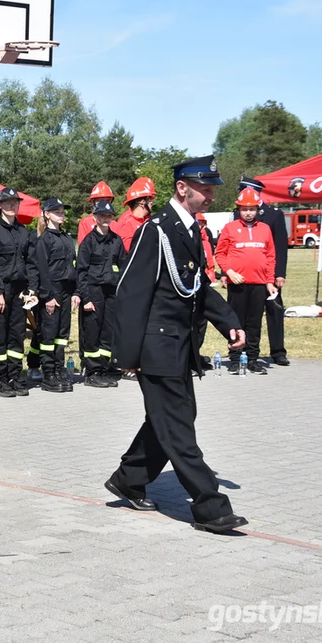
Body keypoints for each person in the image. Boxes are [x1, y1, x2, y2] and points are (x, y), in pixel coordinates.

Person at [106, 155, 248, 534]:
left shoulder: (188, 230)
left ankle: (129, 478)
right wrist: (129, 355)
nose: (211, 194)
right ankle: (210, 506)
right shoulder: (156, 230)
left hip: (179, 348)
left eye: (213, 187)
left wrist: (228, 321)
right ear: (182, 188)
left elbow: (196, 288)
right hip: (157, 348)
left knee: (170, 421)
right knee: (180, 428)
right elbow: (131, 293)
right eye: (205, 187)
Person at [215, 187, 276, 375]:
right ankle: (234, 358)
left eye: (251, 209)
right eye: (244, 209)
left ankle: (252, 358)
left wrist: (269, 281)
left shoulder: (265, 229)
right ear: (238, 210)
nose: (248, 212)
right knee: (236, 321)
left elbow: (270, 256)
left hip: (258, 284)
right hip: (238, 285)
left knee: (254, 323)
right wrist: (229, 272)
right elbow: (220, 253)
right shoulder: (229, 228)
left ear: (258, 210)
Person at [0, 188, 33, 398]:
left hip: (19, 291)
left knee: (17, 336)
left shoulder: (24, 232)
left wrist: (31, 290)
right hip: (1, 292)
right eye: (7, 203)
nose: (12, 206)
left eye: (15, 203)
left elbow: (31, 263)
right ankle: (0, 380)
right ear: (0, 205)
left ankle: (14, 376)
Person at [235, 177, 290, 366]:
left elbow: (281, 247)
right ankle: (244, 351)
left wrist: (279, 274)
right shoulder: (239, 214)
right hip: (248, 275)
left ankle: (278, 351)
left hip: (269, 274)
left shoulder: (274, 215)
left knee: (274, 312)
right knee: (248, 316)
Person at [29, 198, 79, 393]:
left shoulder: (66, 238)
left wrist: (75, 291)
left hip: (66, 289)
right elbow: (41, 270)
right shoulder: (44, 240)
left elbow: (72, 267)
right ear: (47, 214)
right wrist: (48, 296)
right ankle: (48, 373)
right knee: (49, 335)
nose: (61, 214)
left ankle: (58, 369)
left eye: (62, 211)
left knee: (62, 335)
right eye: (56, 211)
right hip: (52, 291)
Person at [76, 199, 125, 388]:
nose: (106, 218)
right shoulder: (88, 242)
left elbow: (124, 265)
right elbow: (81, 271)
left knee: (108, 332)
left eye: (109, 215)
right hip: (93, 292)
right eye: (102, 215)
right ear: (95, 218)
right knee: (92, 333)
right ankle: (92, 372)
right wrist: (85, 298)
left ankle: (104, 369)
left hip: (111, 292)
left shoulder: (116, 240)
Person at [195, 212, 219, 369]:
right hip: (191, 285)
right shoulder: (188, 238)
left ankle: (196, 354)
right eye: (198, 223)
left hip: (205, 282)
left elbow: (209, 261)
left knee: (202, 321)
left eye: (202, 223)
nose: (200, 226)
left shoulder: (205, 239)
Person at [114, 177, 155, 252]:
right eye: (149, 200)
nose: (151, 203)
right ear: (142, 203)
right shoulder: (127, 225)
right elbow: (131, 251)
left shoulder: (148, 220)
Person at [77, 181, 115, 246]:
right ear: (92, 202)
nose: (104, 204)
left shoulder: (114, 224)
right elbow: (83, 248)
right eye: (100, 201)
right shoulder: (85, 222)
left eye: (108, 200)